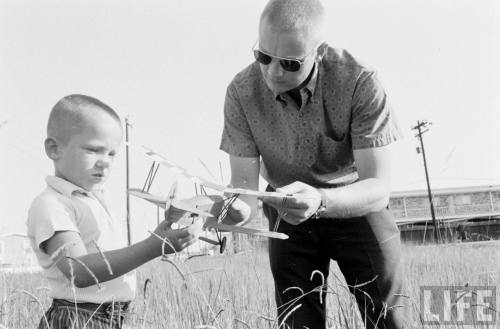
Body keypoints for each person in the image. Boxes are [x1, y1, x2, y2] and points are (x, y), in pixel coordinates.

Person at [219, 0, 406, 328]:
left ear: (319, 52)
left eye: (290, 63)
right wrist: (233, 210)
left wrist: (321, 200)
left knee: (388, 317)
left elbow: (378, 188)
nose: (273, 72)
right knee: (296, 321)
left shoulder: (359, 81)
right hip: (286, 210)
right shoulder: (240, 92)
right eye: (263, 57)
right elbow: (245, 191)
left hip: (355, 204)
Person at [27, 94, 202, 329]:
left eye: (111, 154)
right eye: (93, 150)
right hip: (78, 318)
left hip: (112, 317)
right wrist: (153, 246)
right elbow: (78, 270)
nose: (105, 162)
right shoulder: (51, 204)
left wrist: (159, 237)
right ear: (54, 148)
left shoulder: (93, 201)